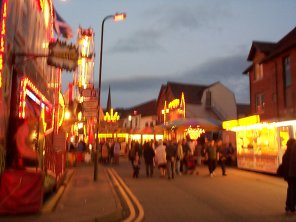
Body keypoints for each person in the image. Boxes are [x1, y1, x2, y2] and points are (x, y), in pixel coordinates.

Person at [280, 138, 296, 213]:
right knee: (292, 190)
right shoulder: (292, 152)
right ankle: (291, 206)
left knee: (290, 189)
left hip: (289, 175)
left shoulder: (286, 153)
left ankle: (288, 205)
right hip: (292, 174)